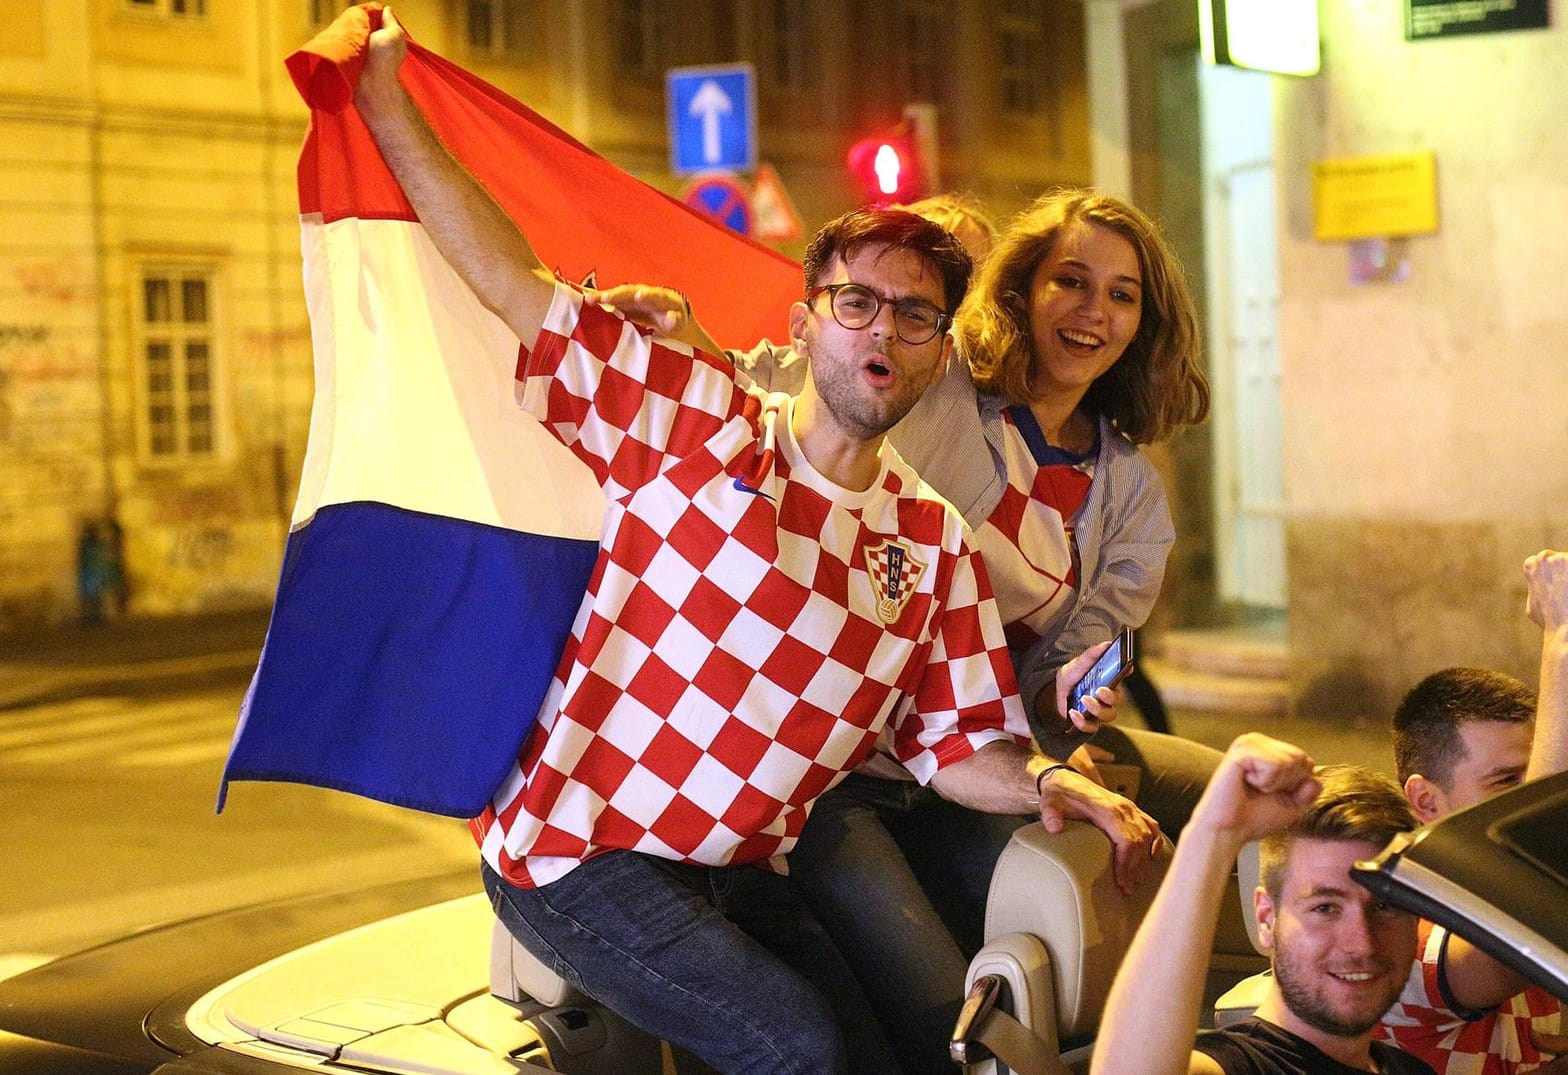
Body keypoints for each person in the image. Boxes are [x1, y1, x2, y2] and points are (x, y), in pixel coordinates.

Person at [352, 14, 1161, 1073]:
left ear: (937, 358)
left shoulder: (931, 540)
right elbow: (508, 277)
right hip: (580, 851)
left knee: (895, 1054)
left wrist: (1055, 784)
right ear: (803, 326)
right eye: (856, 302)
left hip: (736, 866)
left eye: (916, 316)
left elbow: (956, 743)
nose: (883, 329)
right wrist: (383, 104)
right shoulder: (694, 422)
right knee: (797, 1047)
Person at [603, 190, 1221, 1068]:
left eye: (1123, 296)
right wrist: (693, 342)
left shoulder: (1129, 492)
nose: (1093, 312)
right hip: (850, 758)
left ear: (1146, 322)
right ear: (1018, 292)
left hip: (983, 743)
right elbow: (788, 387)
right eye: (1070, 282)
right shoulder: (936, 388)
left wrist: (1072, 698)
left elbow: (1059, 669)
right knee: (948, 1003)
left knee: (1215, 792)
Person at [1381, 550, 1568, 1075]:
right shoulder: (1406, 937)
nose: (1529, 796)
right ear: (1426, 801)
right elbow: (1538, 877)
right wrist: (1567, 638)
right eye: (1505, 782)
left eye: (1535, 770)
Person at [1096, 741, 1436, 1075]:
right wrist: (1212, 838)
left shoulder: (1410, 1068)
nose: (1361, 943)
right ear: (1266, 918)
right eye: (1325, 908)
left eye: (1384, 906)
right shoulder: (1240, 1065)